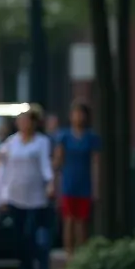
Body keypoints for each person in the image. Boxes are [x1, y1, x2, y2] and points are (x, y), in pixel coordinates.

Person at [0, 107, 54, 269]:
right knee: (19, 236)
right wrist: (2, 194)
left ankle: (42, 267)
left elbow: (45, 164)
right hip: (15, 195)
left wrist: (50, 183)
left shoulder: (42, 142)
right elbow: (2, 167)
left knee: (34, 233)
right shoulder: (11, 143)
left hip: (36, 196)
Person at [54, 100, 101, 254]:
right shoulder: (64, 136)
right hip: (68, 182)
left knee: (82, 222)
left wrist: (96, 187)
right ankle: (69, 253)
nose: (78, 117)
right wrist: (56, 185)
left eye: (81, 113)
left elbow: (95, 163)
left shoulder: (91, 137)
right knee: (68, 220)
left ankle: (82, 254)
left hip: (84, 183)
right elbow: (58, 163)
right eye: (75, 113)